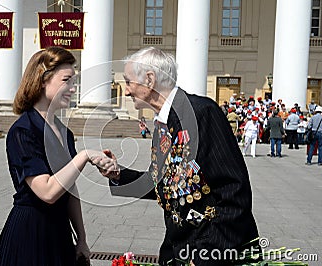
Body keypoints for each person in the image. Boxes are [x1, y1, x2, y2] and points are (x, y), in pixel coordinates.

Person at [98, 47, 259, 266]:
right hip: (178, 250)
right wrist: (118, 174)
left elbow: (234, 192)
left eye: (128, 82)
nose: (126, 91)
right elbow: (164, 185)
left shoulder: (201, 113)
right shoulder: (163, 123)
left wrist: (205, 256)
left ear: (149, 79)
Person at [0, 47, 117, 266]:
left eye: (74, 82)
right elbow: (47, 191)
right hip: (30, 234)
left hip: (60, 233)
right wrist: (85, 156)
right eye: (66, 80)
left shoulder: (64, 132)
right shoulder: (23, 131)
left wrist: (82, 238)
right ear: (43, 80)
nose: (72, 88)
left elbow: (70, 190)